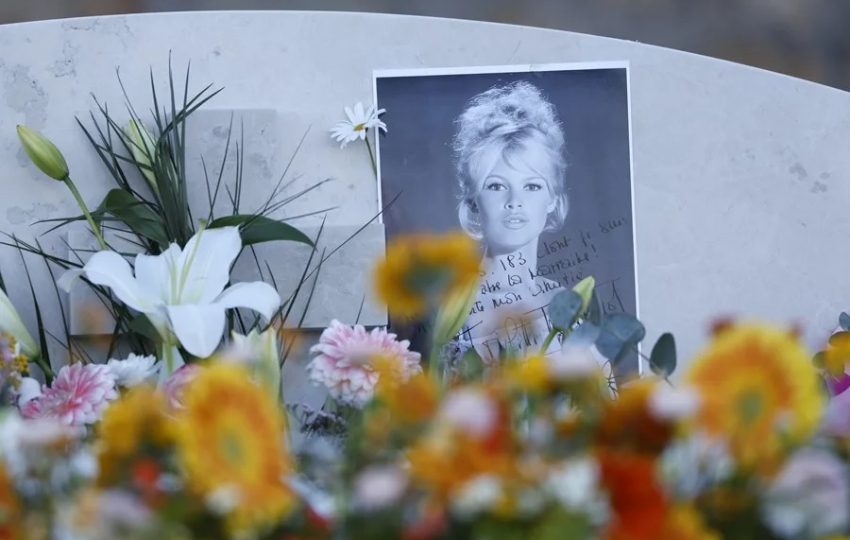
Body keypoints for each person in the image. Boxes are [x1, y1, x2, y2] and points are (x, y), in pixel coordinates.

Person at [441, 80, 571, 372]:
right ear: (474, 201)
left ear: (552, 199)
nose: (515, 201)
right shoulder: (450, 307)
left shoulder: (567, 304)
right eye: (497, 185)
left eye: (533, 186)